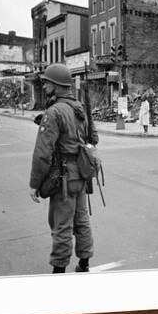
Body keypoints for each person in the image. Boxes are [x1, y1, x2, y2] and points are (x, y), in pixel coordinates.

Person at [28, 63, 98, 274]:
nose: (45, 85)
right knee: (82, 221)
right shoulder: (79, 108)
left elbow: (42, 153)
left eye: (47, 82)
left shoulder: (54, 112)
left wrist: (34, 184)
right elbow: (93, 139)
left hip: (63, 178)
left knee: (61, 226)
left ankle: (59, 272)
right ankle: (84, 264)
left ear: (56, 85)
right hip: (82, 176)